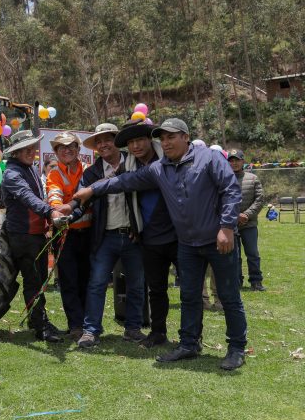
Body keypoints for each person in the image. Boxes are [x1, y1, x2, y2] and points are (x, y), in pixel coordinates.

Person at [74, 118, 247, 370]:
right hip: (187, 244)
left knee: (230, 296)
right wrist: (92, 190)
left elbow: (230, 189)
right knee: (189, 296)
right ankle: (189, 344)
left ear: (186, 137)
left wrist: (226, 226)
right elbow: (123, 181)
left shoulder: (209, 158)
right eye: (163, 138)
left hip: (217, 239)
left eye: (171, 137)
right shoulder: (159, 168)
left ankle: (236, 348)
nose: (166, 143)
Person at [74, 123, 146, 348]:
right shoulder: (91, 172)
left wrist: (141, 227)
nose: (103, 144)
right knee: (96, 283)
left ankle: (133, 328)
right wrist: (66, 213)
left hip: (134, 235)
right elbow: (81, 202)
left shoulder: (134, 162)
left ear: (117, 140)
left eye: (107, 139)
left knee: (136, 284)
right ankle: (91, 330)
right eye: (98, 141)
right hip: (105, 237)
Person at [113, 118, 178, 347]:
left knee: (189, 288)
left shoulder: (171, 160)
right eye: (130, 142)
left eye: (140, 139)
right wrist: (133, 224)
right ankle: (158, 332)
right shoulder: (126, 166)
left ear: (150, 139)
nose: (136, 146)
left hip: (179, 234)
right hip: (149, 236)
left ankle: (192, 337)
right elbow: (125, 198)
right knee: (156, 289)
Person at [1, 129, 62, 343]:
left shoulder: (32, 169)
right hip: (22, 236)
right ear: (15, 153)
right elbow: (28, 198)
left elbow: (40, 197)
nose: (31, 151)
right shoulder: (12, 173)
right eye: (25, 149)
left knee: (39, 280)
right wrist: (50, 212)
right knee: (33, 281)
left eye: (32, 148)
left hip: (37, 235)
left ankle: (38, 319)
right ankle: (40, 325)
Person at [44, 132, 92, 341]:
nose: (67, 150)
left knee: (88, 280)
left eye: (71, 146)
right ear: (55, 152)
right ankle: (75, 325)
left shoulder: (88, 171)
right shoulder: (54, 173)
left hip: (89, 232)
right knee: (69, 281)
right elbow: (53, 194)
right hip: (65, 233)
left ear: (78, 149)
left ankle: (88, 324)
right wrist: (57, 210)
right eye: (61, 147)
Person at [228, 149, 265, 291]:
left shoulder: (253, 178)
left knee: (252, 253)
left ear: (243, 161)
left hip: (249, 224)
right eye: (231, 160)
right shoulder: (224, 178)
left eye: (237, 160)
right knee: (234, 256)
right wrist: (235, 216)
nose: (234, 163)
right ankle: (237, 281)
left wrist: (247, 215)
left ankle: (256, 281)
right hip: (231, 225)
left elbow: (260, 199)